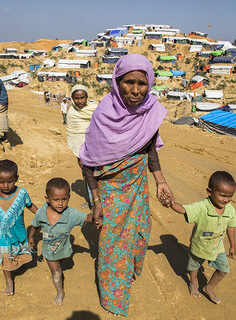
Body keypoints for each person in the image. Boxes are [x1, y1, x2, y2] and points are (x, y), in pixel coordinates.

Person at [79, 54, 174, 316]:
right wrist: (96, 202)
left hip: (137, 187)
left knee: (141, 233)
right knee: (113, 245)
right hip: (110, 193)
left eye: (142, 83)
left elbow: (150, 147)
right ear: (117, 82)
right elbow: (87, 162)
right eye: (128, 82)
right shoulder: (104, 115)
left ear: (150, 83)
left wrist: (160, 181)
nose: (135, 90)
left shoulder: (150, 112)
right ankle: (113, 298)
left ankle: (128, 274)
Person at [168, 171, 236, 305]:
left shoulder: (230, 210)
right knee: (194, 267)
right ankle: (193, 282)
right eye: (222, 195)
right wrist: (172, 203)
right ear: (209, 192)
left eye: (230, 196)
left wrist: (233, 246)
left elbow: (231, 227)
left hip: (217, 247)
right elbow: (184, 209)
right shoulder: (201, 207)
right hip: (199, 245)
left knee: (223, 269)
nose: (226, 199)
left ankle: (209, 287)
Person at [28, 178, 93, 306]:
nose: (60, 203)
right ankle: (60, 292)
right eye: (56, 200)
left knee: (60, 262)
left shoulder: (71, 214)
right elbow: (35, 225)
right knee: (56, 272)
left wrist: (97, 217)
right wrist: (31, 237)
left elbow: (86, 217)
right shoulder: (41, 212)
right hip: (48, 251)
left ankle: (59, 266)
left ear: (69, 197)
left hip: (64, 249)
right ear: (47, 199)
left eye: (64, 199)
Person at [0, 160, 38, 296]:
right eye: (1, 182)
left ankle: (16, 265)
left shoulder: (21, 193)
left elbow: (30, 205)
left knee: (18, 252)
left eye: (10, 181)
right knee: (5, 257)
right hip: (3, 235)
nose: (5, 185)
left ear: (16, 178)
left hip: (19, 232)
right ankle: (9, 281)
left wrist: (41, 215)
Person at [66, 84, 98, 208]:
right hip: (82, 153)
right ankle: (92, 203)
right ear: (72, 99)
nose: (80, 101)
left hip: (98, 150)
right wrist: (79, 157)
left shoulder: (95, 109)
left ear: (87, 97)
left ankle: (102, 203)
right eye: (76, 98)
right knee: (87, 177)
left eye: (82, 97)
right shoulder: (71, 113)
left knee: (100, 177)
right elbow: (74, 136)